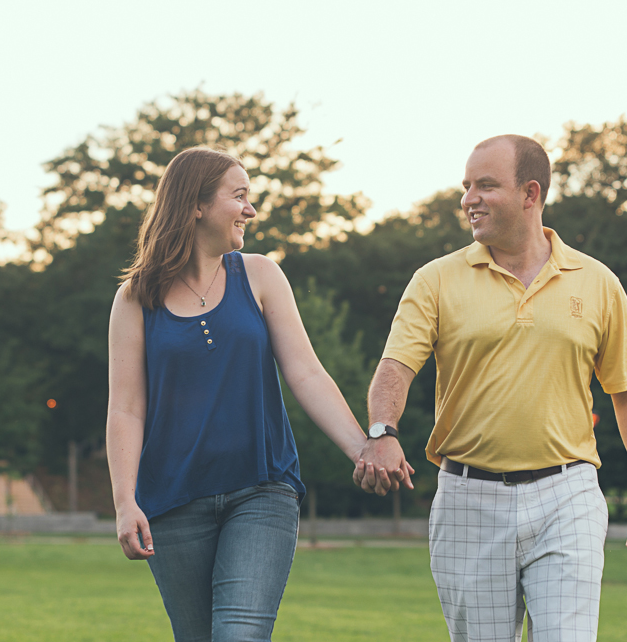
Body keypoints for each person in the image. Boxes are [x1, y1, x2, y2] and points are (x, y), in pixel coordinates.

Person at [355, 135, 627, 641]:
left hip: (567, 493)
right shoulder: (435, 280)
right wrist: (382, 431)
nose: (468, 199)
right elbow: (395, 367)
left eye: (485, 185)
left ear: (530, 193)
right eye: (466, 187)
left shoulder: (596, 282)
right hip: (466, 498)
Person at [106, 146, 413, 642]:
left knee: (240, 634)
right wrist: (124, 501)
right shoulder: (136, 298)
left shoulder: (261, 275)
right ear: (196, 205)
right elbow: (125, 407)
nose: (250, 209)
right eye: (240, 196)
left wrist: (363, 446)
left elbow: (306, 373)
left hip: (262, 489)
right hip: (173, 500)